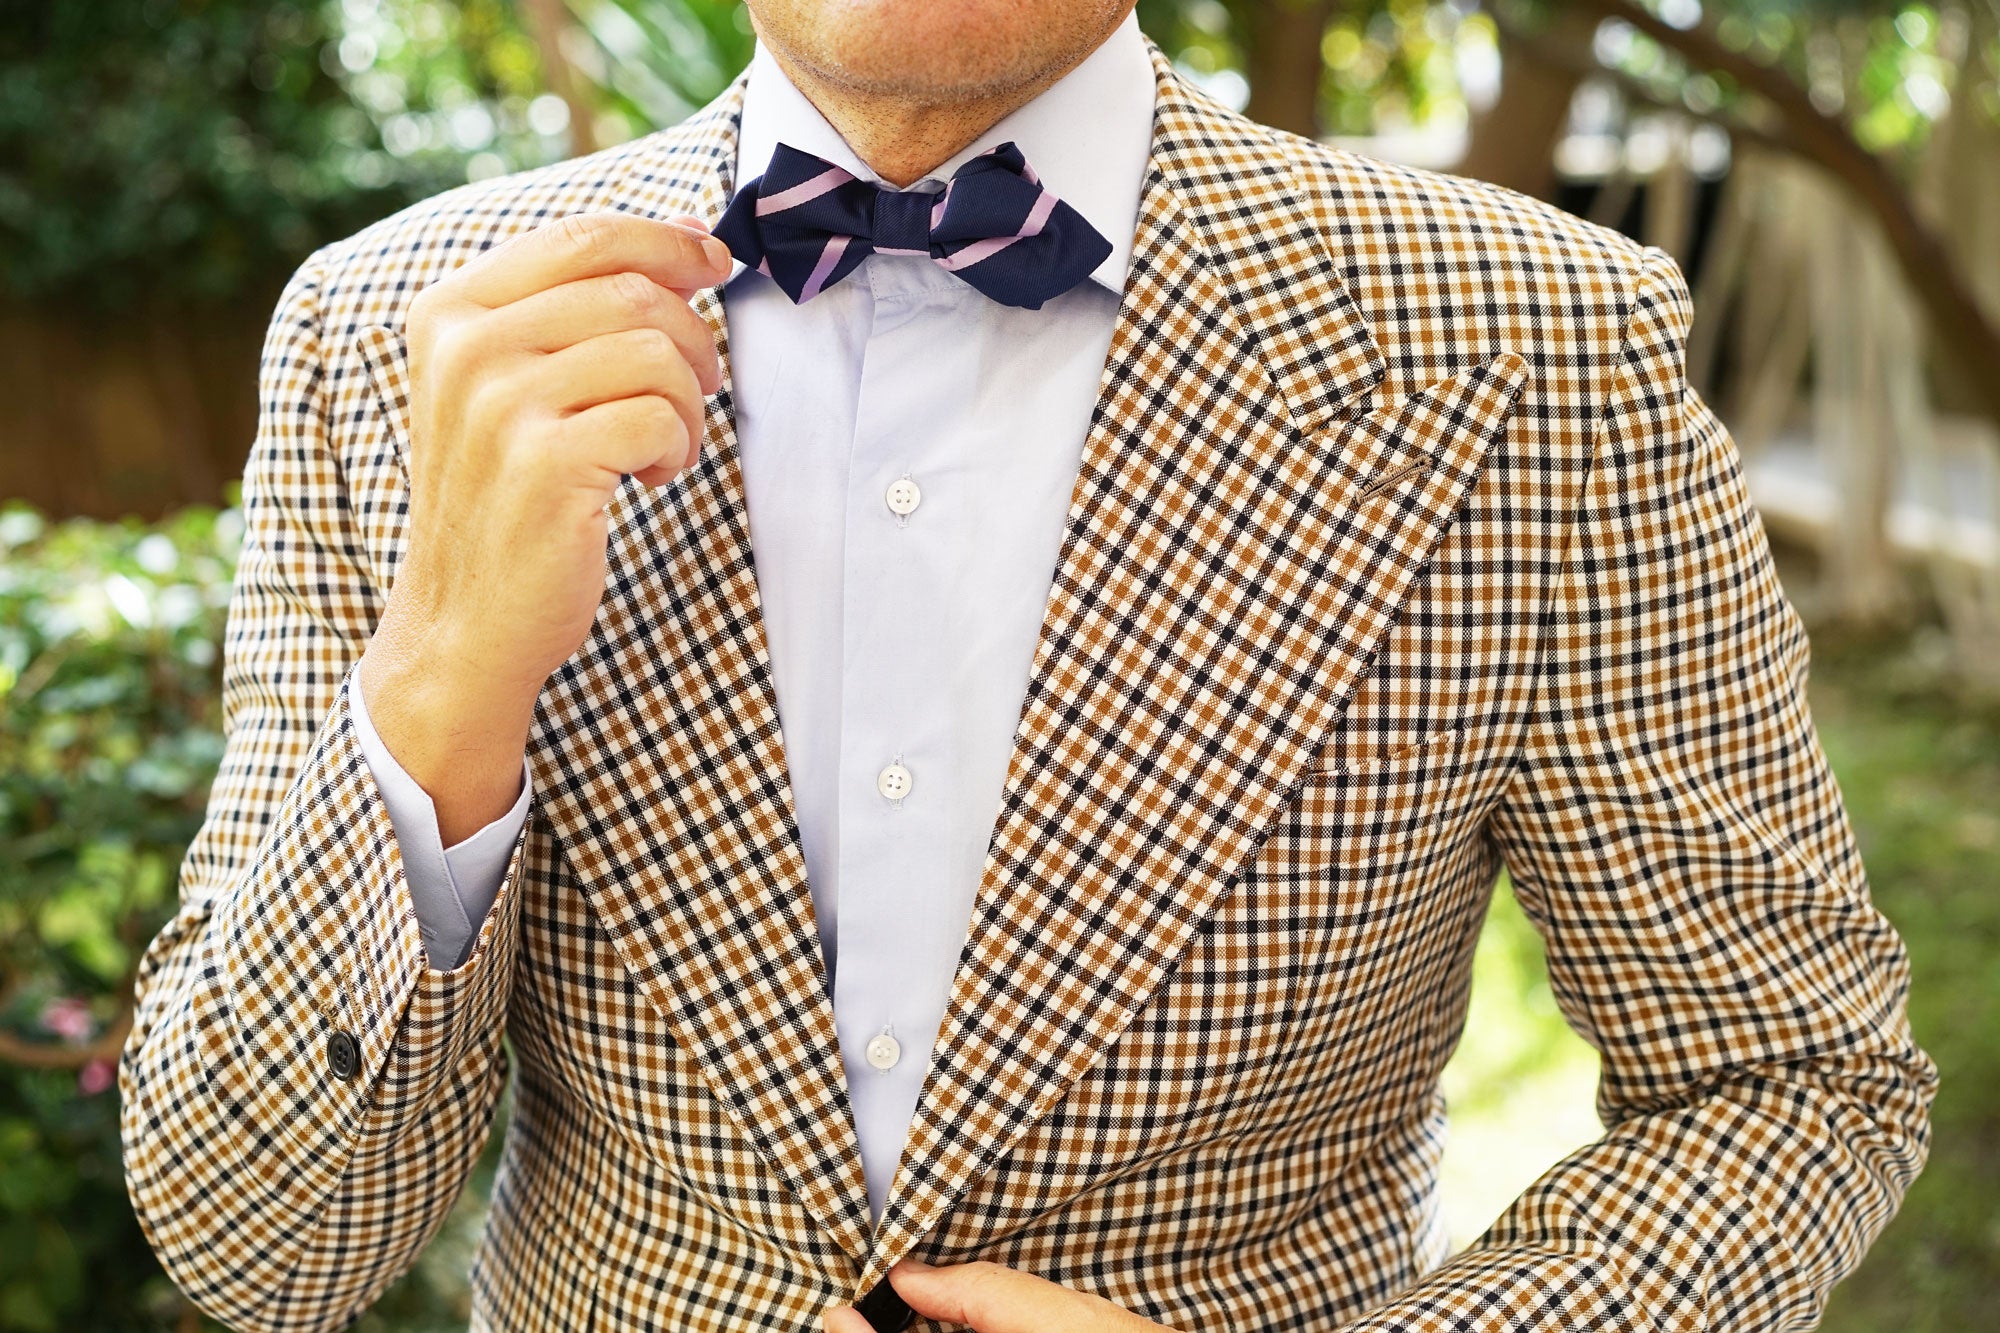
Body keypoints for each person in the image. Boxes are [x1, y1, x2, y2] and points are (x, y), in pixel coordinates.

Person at [119, 2, 1937, 1330]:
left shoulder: (1535, 347)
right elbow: (263, 1242)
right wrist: (440, 684)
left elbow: (1792, 1085)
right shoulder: (392, 336)